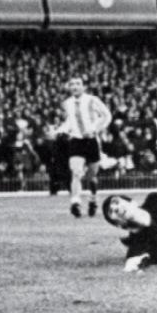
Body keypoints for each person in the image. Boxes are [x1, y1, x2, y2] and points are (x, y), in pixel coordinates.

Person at [56, 76, 112, 218]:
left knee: (91, 177)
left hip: (91, 140)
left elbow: (106, 116)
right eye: (72, 84)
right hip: (76, 141)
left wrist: (94, 129)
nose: (75, 86)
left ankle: (93, 199)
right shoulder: (67, 103)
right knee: (76, 172)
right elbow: (70, 121)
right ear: (69, 87)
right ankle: (75, 203)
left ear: (83, 86)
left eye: (78, 84)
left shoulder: (92, 100)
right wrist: (60, 130)